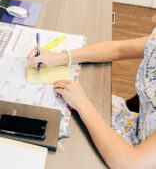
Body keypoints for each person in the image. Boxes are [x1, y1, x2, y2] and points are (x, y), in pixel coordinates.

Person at [27, 15, 156, 169]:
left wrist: (82, 104)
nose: (153, 19)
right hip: (136, 130)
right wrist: (61, 58)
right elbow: (119, 49)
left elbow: (129, 164)